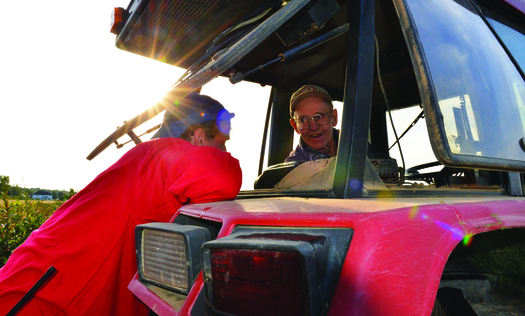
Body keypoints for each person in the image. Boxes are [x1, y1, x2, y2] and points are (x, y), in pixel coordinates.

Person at [0, 93, 242, 316]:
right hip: (39, 300)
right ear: (199, 138)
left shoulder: (149, 159)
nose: (224, 151)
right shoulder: (163, 155)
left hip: (45, 289)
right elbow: (223, 177)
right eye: (222, 143)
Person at [285, 84, 339, 162]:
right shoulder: (294, 169)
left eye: (319, 116)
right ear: (295, 126)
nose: (313, 127)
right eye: (303, 119)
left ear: (334, 118)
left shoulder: (357, 146)